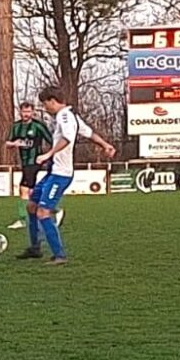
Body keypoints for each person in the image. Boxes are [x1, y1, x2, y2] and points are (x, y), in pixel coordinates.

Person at [23, 87, 116, 264]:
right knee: (31, 205)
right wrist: (106, 145)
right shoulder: (71, 115)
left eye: (45, 104)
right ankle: (35, 248)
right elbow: (89, 133)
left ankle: (59, 255)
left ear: (52, 101)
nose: (46, 108)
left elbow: (66, 139)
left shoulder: (64, 116)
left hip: (61, 174)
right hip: (53, 172)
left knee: (43, 212)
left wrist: (48, 154)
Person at [5, 102, 52, 229]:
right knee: (31, 191)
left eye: (28, 112)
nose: (26, 114)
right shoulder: (16, 126)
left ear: (32, 112)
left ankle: (24, 219)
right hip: (24, 162)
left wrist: (48, 156)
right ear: (20, 112)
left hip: (34, 161)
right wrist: (14, 144)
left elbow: (52, 140)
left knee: (24, 189)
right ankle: (51, 211)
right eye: (24, 112)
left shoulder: (38, 126)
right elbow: (7, 143)